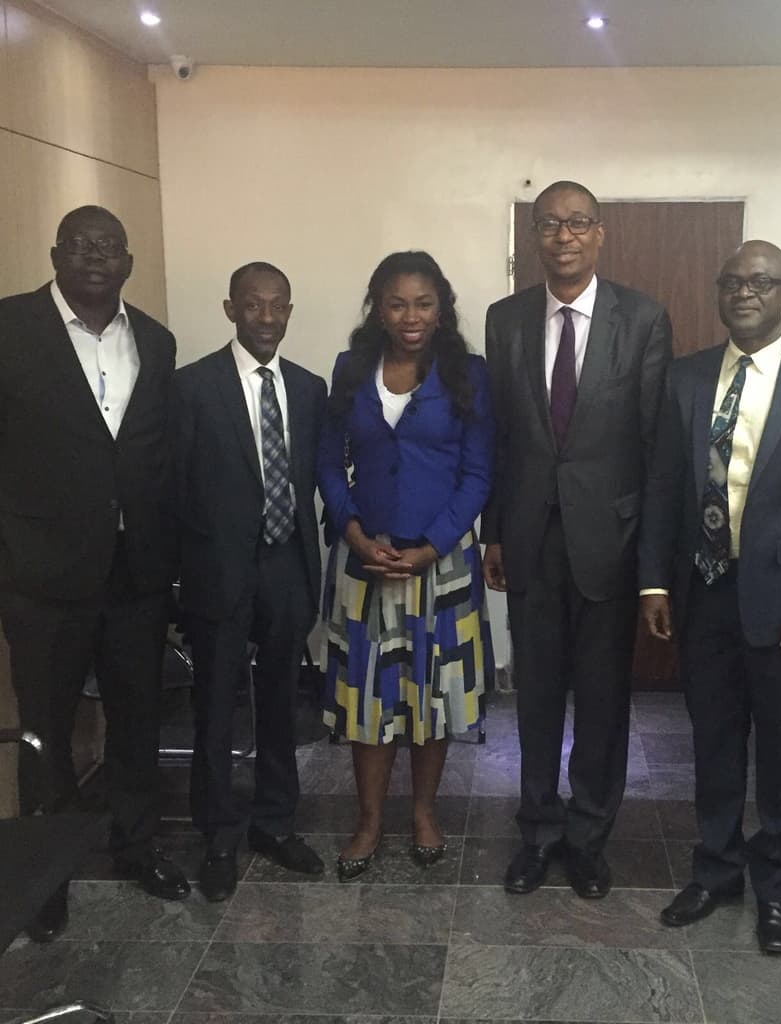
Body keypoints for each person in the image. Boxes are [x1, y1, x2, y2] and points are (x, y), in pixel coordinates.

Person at [639, 241, 781, 954]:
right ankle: (715, 869)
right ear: (718, 292)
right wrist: (654, 579)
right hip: (703, 592)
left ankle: (778, 888)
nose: (745, 293)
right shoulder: (686, 377)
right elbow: (664, 488)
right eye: (733, 282)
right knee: (713, 742)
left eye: (761, 283)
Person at [0, 205, 189, 939]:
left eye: (110, 246)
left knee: (137, 718)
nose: (96, 256)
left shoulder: (158, 341)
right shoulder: (10, 330)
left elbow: (159, 456)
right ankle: (41, 885)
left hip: (136, 573)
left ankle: (138, 847)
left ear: (129, 264)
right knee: (45, 732)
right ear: (54, 253)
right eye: (82, 245)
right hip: (42, 577)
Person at [482, 180, 672, 899]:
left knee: (601, 702)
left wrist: (652, 563)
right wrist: (494, 531)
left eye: (578, 223)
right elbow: (500, 435)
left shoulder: (644, 319)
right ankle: (537, 832)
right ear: (535, 237)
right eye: (550, 224)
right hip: (530, 537)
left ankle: (589, 838)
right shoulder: (506, 319)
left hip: (610, 544)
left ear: (600, 234)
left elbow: (654, 447)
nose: (564, 236)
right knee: (533, 700)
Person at [319, 251, 493, 880]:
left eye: (423, 302)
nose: (411, 315)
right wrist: (355, 532)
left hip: (439, 566)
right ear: (378, 307)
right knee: (369, 701)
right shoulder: (350, 368)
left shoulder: (468, 373)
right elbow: (326, 462)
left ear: (441, 306)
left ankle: (423, 811)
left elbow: (478, 475)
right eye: (397, 303)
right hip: (366, 562)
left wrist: (434, 545)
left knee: (434, 696)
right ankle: (368, 822)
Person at [175, 262, 327, 901]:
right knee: (214, 704)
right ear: (231, 308)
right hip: (218, 568)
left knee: (281, 701)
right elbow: (174, 490)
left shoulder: (309, 387)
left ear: (290, 310)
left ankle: (273, 822)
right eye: (254, 305)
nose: (267, 319)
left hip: (288, 565)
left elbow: (313, 478)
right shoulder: (191, 387)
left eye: (279, 306)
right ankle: (217, 835)